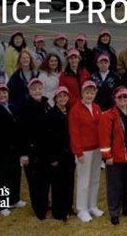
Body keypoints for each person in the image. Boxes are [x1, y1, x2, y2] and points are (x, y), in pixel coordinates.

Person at [99, 86, 127, 225]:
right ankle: (114, 212)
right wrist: (107, 156)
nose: (123, 99)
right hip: (116, 157)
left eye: (125, 96)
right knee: (115, 185)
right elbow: (104, 138)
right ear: (114, 99)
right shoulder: (108, 115)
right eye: (120, 97)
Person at [69, 81, 104, 222]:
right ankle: (81, 208)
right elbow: (74, 133)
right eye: (87, 92)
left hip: (97, 149)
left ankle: (92, 205)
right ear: (82, 93)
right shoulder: (75, 110)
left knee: (95, 178)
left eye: (92, 92)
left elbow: (101, 128)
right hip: (84, 150)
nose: (89, 95)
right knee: (84, 180)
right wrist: (78, 152)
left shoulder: (96, 107)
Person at [18, 78, 52, 220]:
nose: (37, 91)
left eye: (39, 88)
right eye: (34, 89)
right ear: (29, 91)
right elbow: (21, 132)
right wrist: (23, 153)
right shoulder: (25, 107)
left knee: (45, 179)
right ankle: (39, 209)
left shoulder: (46, 103)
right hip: (32, 151)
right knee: (34, 181)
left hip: (45, 149)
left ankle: (45, 203)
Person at [0, 84, 25, 216]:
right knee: (2, 177)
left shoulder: (13, 107)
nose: (3, 96)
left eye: (4, 93)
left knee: (15, 174)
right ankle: (1, 204)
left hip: (15, 149)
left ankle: (14, 199)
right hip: (2, 150)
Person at [46, 86, 76, 221]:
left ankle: (69, 207)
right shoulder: (51, 114)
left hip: (69, 153)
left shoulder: (70, 111)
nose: (63, 99)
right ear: (55, 98)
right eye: (60, 96)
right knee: (58, 183)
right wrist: (52, 157)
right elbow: (48, 138)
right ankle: (59, 211)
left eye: (65, 96)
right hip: (57, 154)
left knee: (69, 181)